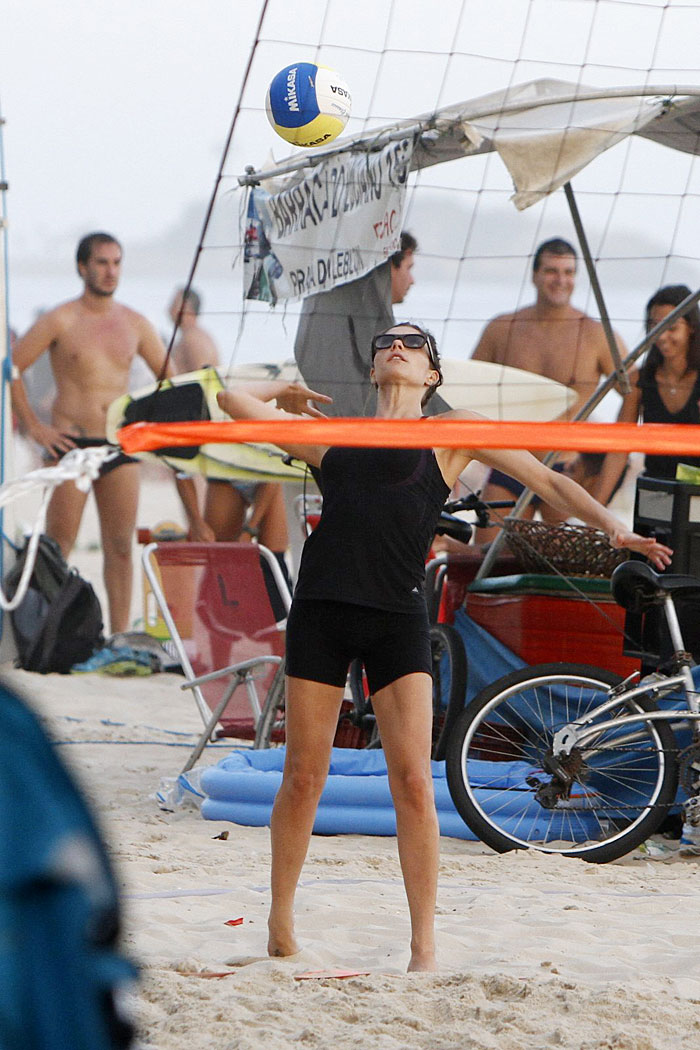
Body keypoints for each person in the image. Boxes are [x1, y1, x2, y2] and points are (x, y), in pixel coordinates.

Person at [216, 322, 671, 972]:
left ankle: (423, 945)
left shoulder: (452, 429)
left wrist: (614, 529)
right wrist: (279, 387)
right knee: (302, 779)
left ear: (431, 374)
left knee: (412, 782)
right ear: (375, 368)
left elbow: (548, 482)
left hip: (397, 617)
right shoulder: (339, 437)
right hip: (321, 611)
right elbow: (232, 402)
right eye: (385, 341)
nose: (395, 345)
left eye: (412, 343)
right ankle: (280, 925)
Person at [10, 232, 171, 636]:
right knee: (59, 545)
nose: (110, 271)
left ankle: (117, 635)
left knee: (119, 547)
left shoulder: (135, 322)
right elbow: (10, 368)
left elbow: (172, 383)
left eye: (116, 262)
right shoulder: (61, 318)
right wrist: (33, 426)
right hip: (70, 444)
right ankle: (47, 634)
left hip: (117, 445)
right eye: (101, 262)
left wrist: (151, 425)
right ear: (83, 267)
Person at [471, 236, 628, 540]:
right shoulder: (503, 328)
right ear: (534, 275)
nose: (560, 280)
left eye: (568, 272)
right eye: (552, 271)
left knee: (565, 564)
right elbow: (465, 391)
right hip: (512, 462)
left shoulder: (595, 335)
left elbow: (635, 394)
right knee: (484, 558)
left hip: (567, 467)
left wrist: (607, 462)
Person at [167, 286, 292, 592]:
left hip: (258, 460)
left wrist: (250, 528)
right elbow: (178, 466)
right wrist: (195, 522)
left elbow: (271, 470)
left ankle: (279, 630)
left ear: (185, 306)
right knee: (221, 569)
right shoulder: (195, 342)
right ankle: (228, 631)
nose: (168, 308)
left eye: (173, 303)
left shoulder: (191, 340)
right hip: (224, 468)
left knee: (272, 568)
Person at [591, 284, 700, 506]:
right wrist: (594, 511)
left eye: (671, 327)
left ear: (691, 327)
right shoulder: (640, 380)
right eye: (654, 325)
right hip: (655, 491)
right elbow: (619, 450)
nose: (661, 336)